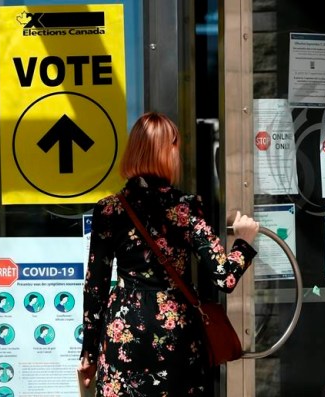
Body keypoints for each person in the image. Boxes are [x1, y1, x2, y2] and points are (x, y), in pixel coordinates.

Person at [77, 112, 259, 396]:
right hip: (175, 334)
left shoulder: (109, 209)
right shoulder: (185, 208)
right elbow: (225, 277)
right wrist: (244, 241)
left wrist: (87, 352)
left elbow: (95, 286)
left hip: (123, 330)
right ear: (169, 151)